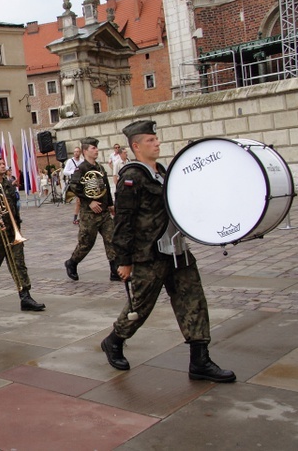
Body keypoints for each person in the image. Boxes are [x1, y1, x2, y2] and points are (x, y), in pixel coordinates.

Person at [100, 120, 236, 383]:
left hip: (177, 250)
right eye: (151, 140)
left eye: (156, 139)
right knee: (140, 306)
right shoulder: (131, 177)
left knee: (193, 301)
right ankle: (114, 340)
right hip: (148, 255)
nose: (157, 143)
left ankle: (200, 360)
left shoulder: (163, 172)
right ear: (136, 146)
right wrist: (124, 260)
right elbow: (123, 222)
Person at [0, 153, 45, 312]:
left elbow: (13, 208)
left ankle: (25, 296)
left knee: (19, 264)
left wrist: (17, 226)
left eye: (3, 163)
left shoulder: (9, 185)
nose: (3, 166)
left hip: (12, 232)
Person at [65, 137, 120, 283]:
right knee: (86, 242)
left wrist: (110, 204)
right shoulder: (81, 168)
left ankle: (114, 271)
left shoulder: (99, 167)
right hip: (89, 214)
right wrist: (89, 201)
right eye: (93, 148)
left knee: (112, 239)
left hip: (103, 211)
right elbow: (74, 186)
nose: (96, 150)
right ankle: (72, 263)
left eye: (96, 148)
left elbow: (105, 186)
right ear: (85, 151)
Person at [62, 146, 83, 224]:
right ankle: (75, 217)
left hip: (81, 182)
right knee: (78, 200)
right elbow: (65, 171)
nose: (76, 153)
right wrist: (73, 172)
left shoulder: (82, 161)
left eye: (78, 151)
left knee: (81, 201)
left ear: (80, 153)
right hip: (74, 182)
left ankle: (79, 217)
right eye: (75, 152)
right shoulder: (70, 161)